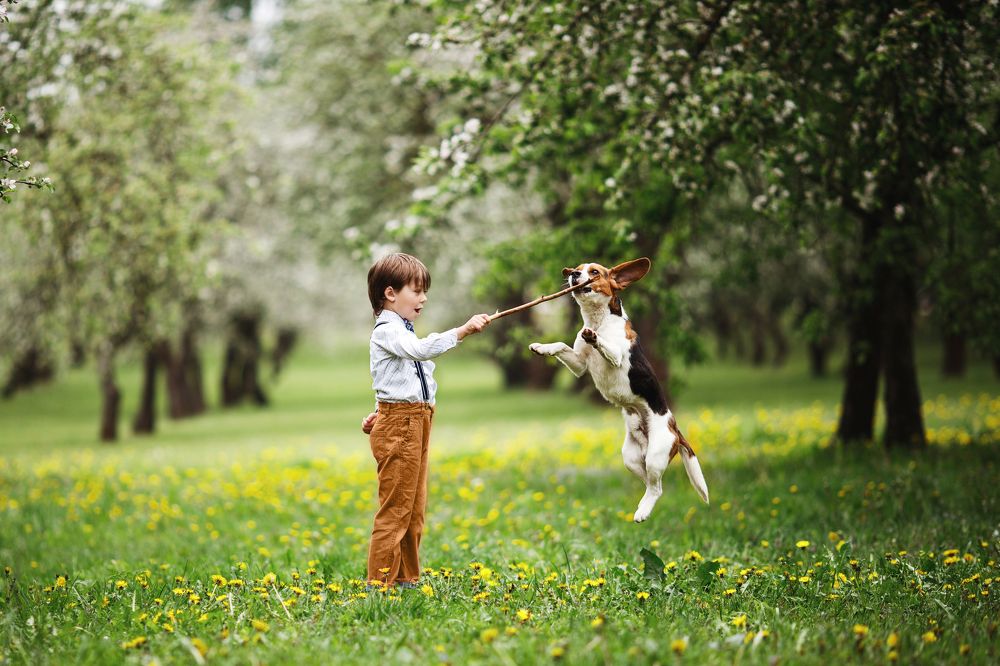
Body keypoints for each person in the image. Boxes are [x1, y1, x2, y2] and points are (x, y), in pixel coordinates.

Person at [361, 252, 491, 587]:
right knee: (396, 510)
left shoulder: (402, 330)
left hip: (416, 422)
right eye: (417, 291)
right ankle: (380, 585)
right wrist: (461, 331)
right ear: (390, 293)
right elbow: (418, 352)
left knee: (414, 510)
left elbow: (393, 378)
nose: (424, 298)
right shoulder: (388, 330)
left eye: (425, 292)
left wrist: (379, 410)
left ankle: (406, 579)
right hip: (402, 425)